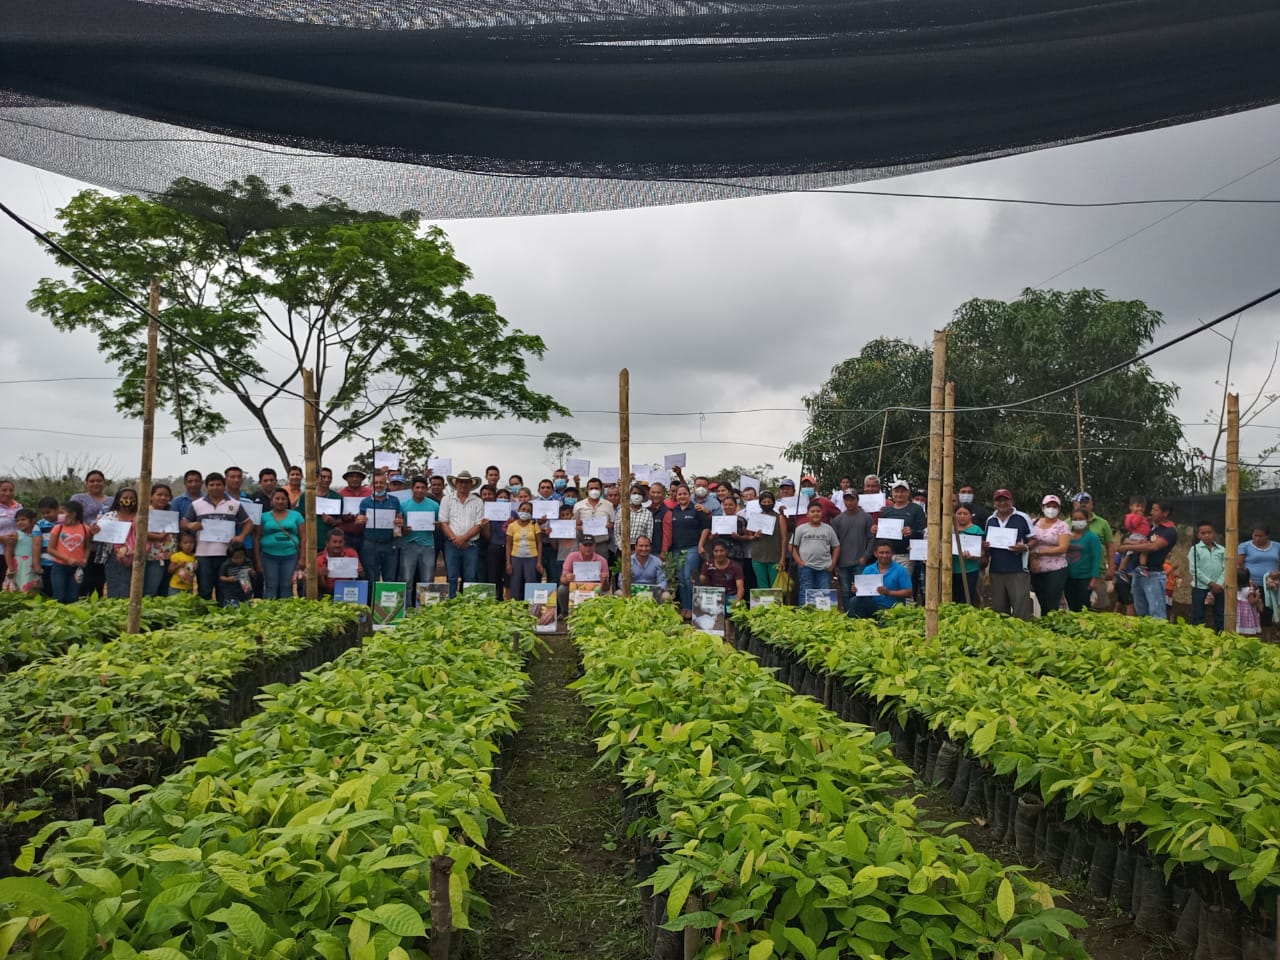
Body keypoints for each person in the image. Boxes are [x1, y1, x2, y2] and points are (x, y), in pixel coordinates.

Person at [181, 471, 253, 602]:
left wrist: (241, 537)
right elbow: (184, 522)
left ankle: (224, 612)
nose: (215, 487)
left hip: (227, 554)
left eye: (218, 484)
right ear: (206, 487)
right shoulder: (197, 504)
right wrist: (191, 525)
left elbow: (248, 523)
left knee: (225, 589)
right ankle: (205, 613)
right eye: (212, 485)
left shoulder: (234, 504)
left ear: (224, 485)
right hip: (204, 554)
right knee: (205, 589)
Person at [1116, 498, 1177, 620]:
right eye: (1152, 509)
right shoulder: (1150, 526)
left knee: (1156, 613)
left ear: (1165, 513)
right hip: (1137, 573)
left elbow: (1154, 546)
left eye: (1155, 510)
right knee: (1141, 612)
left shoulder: (1169, 531)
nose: (1151, 512)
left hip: (1153, 574)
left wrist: (1127, 547)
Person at [984, 488, 1032, 620]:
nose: (1002, 503)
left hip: (1018, 569)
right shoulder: (990, 520)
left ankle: (1022, 631)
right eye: (998, 500)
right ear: (994, 503)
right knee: (999, 609)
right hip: (996, 570)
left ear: (1012, 501)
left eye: (1005, 500)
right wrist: (985, 546)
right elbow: (987, 544)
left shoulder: (1022, 517)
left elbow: (1034, 539)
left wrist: (1025, 547)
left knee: (1020, 607)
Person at [664, 484, 711, 619]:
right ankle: (684, 607)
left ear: (689, 495)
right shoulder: (673, 511)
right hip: (676, 549)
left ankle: (693, 608)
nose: (682, 496)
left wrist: (701, 545)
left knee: (689, 578)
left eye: (684, 494)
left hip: (692, 548)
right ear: (676, 496)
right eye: (679, 494)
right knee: (680, 579)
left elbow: (706, 528)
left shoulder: (696, 509)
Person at [438, 470, 484, 597]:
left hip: (471, 544)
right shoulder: (447, 500)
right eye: (461, 482)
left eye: (466, 482)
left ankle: (469, 604)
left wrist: (463, 539)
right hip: (451, 544)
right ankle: (452, 602)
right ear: (456, 483)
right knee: (452, 577)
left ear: (471, 484)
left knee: (470, 576)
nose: (463, 485)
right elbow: (443, 522)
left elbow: (479, 524)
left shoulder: (477, 501)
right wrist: (455, 539)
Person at [256, 488, 306, 599]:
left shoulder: (296, 516)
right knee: (270, 586)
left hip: (290, 556)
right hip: (268, 556)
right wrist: (257, 560)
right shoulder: (263, 517)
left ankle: (286, 609)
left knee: (287, 586)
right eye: (277, 498)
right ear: (271, 501)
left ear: (287, 501)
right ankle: (269, 608)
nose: (280, 501)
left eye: (283, 499)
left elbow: (303, 538)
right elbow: (257, 538)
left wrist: (303, 558)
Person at [356, 472, 403, 588]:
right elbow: (359, 522)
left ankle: (388, 600)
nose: (379, 485)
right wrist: (359, 521)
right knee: (371, 578)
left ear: (386, 484)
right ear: (372, 484)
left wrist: (400, 522)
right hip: (370, 544)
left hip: (389, 543)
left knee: (390, 577)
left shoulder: (394, 501)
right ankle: (372, 600)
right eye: (376, 482)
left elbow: (399, 518)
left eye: (381, 482)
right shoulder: (365, 502)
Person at [874, 479, 926, 582]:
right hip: (887, 555)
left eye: (902, 491)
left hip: (906, 555)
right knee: (887, 583)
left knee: (903, 583)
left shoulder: (916, 509)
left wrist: (912, 532)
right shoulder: (886, 511)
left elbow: (923, 531)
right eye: (896, 491)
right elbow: (880, 535)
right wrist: (876, 530)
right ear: (892, 493)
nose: (899, 494)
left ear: (908, 493)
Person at [1028, 494, 1071, 615]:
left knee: (1052, 601)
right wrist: (1032, 559)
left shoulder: (1062, 526)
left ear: (1059, 509)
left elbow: (1063, 548)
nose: (1051, 509)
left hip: (1056, 569)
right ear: (1043, 508)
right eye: (1048, 506)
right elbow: (1028, 542)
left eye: (1054, 506)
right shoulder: (1033, 523)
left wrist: (1039, 552)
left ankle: (1052, 623)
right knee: (1042, 600)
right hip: (1036, 568)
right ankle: (1044, 623)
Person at [831, 491, 873, 611]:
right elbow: (834, 543)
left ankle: (859, 614)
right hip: (843, 563)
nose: (849, 502)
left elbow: (871, 538)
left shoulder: (866, 517)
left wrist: (865, 556)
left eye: (852, 499)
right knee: (845, 591)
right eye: (847, 500)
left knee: (860, 591)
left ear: (857, 500)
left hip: (860, 562)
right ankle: (848, 614)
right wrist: (835, 563)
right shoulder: (837, 520)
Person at [71, 470, 110, 597]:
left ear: (104, 483)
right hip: (84, 547)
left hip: (105, 547)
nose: (95, 483)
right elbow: (72, 518)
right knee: (84, 580)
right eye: (92, 481)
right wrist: (89, 529)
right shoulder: (78, 498)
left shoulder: (112, 501)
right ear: (86, 483)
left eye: (99, 481)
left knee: (100, 581)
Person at [790, 502, 840, 600]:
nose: (816, 513)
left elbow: (836, 546)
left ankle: (822, 610)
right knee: (805, 592)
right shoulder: (801, 529)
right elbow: (791, 545)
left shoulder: (828, 529)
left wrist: (833, 564)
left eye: (818, 511)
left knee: (824, 593)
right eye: (812, 511)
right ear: (807, 514)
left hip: (824, 568)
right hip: (806, 567)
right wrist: (799, 561)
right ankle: (805, 610)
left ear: (822, 513)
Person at [95, 488, 139, 599]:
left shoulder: (140, 516)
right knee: (114, 583)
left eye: (131, 498)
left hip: (135, 555)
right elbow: (100, 536)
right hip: (113, 556)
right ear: (118, 499)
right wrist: (96, 531)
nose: (128, 500)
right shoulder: (109, 516)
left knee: (132, 585)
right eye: (125, 498)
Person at [848, 543, 912, 618]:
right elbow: (863, 591)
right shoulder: (868, 569)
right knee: (855, 600)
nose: (884, 555)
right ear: (875, 554)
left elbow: (909, 592)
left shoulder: (900, 570)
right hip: (872, 606)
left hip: (891, 609)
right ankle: (856, 623)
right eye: (881, 553)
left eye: (887, 553)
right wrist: (856, 589)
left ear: (892, 554)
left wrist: (889, 592)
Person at [400, 476, 438, 604]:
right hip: (408, 545)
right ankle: (407, 608)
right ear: (412, 489)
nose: (420, 490)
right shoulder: (403, 505)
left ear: (426, 489)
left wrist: (437, 525)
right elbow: (398, 526)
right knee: (407, 579)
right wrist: (403, 529)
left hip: (428, 545)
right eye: (417, 487)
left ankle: (426, 608)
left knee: (427, 579)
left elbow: (440, 523)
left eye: (423, 488)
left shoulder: (434, 505)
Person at [1238, 525, 1280, 634]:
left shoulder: (1277, 546)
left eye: (1261, 536)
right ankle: (1252, 636)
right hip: (1251, 586)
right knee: (1252, 612)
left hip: (1271, 586)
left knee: (1268, 613)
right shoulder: (1245, 546)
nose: (1257, 538)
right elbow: (1238, 565)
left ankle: (1267, 638)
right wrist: (1245, 580)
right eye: (1255, 535)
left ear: (1267, 536)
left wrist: (1278, 573)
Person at [47, 499, 91, 604]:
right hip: (59, 567)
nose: (60, 515)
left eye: (63, 512)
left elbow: (87, 547)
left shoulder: (85, 529)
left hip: (76, 568)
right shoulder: (58, 528)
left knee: (72, 597)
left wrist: (85, 558)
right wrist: (67, 559)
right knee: (59, 596)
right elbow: (50, 549)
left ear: (73, 514)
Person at [1186, 521, 1226, 631]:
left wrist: (1218, 584)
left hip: (1219, 587)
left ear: (1214, 534)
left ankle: (1221, 636)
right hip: (1200, 587)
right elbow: (1194, 570)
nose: (1207, 535)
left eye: (1209, 532)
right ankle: (1199, 636)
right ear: (1198, 535)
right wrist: (1210, 583)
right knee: (1198, 615)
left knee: (1220, 614)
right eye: (1203, 533)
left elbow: (1226, 568)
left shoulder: (1222, 550)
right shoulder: (1195, 549)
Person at [557, 534, 610, 616]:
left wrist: (604, 580)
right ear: (580, 546)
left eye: (590, 545)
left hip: (595, 589)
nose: (588, 548)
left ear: (594, 546)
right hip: (575, 588)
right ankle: (565, 613)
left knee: (607, 594)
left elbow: (606, 588)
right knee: (562, 589)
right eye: (585, 545)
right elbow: (562, 579)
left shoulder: (602, 560)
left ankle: (602, 614)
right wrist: (567, 578)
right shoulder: (571, 557)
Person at [1063, 507, 1103, 613]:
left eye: (1081, 519)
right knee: (1071, 606)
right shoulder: (1066, 536)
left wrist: (1094, 578)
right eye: (1075, 519)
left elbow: (1097, 558)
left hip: (1085, 578)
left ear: (1087, 520)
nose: (1078, 521)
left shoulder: (1092, 537)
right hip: (1068, 577)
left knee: (1083, 607)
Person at [506, 495, 544, 602]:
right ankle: (515, 607)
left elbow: (539, 543)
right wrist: (508, 563)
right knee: (515, 583)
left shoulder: (534, 525)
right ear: (518, 510)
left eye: (528, 511)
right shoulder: (512, 526)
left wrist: (539, 561)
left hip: (532, 558)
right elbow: (508, 545)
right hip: (515, 558)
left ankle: (531, 606)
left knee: (531, 583)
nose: (525, 512)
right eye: (523, 509)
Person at [749, 491, 787, 592]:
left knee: (775, 586)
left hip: (775, 557)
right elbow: (749, 536)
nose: (766, 504)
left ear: (773, 503)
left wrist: (783, 558)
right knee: (762, 585)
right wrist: (755, 536)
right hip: (758, 556)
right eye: (764, 502)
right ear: (760, 503)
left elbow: (784, 538)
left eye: (769, 502)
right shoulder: (755, 517)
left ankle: (776, 603)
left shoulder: (780, 518)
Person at [143, 483, 177, 597]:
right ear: (151, 496)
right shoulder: (145, 512)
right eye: (159, 495)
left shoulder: (171, 512)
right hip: (154, 557)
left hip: (171, 557)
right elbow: (139, 532)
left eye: (166, 495)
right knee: (151, 590)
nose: (163, 497)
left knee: (165, 591)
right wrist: (158, 537)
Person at [951, 504, 984, 606]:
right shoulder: (950, 529)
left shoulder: (977, 530)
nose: (962, 516)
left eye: (965, 513)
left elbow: (982, 551)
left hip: (970, 569)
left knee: (968, 597)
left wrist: (974, 555)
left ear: (971, 515)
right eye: (959, 513)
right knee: (953, 598)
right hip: (952, 569)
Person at [336, 466, 372, 554]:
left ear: (362, 478)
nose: (355, 479)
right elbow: (336, 517)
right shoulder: (340, 494)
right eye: (351, 476)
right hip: (345, 536)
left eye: (357, 476)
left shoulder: (370, 493)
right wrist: (344, 518)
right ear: (346, 478)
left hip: (366, 536)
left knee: (365, 561)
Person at [317, 529, 364, 597]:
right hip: (328, 592)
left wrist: (360, 572)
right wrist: (320, 576)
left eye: (340, 542)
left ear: (344, 543)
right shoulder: (320, 559)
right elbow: (321, 587)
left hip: (349, 591)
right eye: (334, 542)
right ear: (327, 543)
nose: (337, 545)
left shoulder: (351, 554)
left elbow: (361, 575)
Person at [6, 509, 41, 593]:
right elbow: (8, 553)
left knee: (32, 589)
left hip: (32, 564)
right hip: (19, 566)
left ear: (32, 520)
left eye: (23, 519)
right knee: (18, 589)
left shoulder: (37, 534)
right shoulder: (16, 535)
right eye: (17, 521)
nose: (20, 522)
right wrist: (11, 569)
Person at [700, 538, 745, 605]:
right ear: (712, 552)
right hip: (714, 596)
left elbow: (740, 588)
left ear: (726, 551)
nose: (719, 554)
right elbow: (701, 581)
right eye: (716, 551)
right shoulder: (708, 564)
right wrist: (697, 579)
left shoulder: (735, 566)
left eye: (721, 551)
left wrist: (736, 603)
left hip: (731, 596)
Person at [628, 535, 668, 601]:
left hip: (653, 593)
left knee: (666, 596)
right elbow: (621, 582)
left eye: (646, 546)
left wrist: (653, 591)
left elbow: (663, 581)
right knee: (618, 593)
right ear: (635, 547)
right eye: (641, 546)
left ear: (650, 547)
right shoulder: (628, 561)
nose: (644, 549)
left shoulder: (657, 561)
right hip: (632, 592)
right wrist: (634, 591)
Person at [312, 466, 342, 552]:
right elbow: (300, 519)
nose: (326, 479)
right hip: (311, 540)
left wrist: (333, 521)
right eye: (323, 477)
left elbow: (341, 519)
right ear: (317, 478)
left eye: (329, 477)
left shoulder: (337, 497)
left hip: (329, 542)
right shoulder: (307, 496)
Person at [617, 487, 654, 554]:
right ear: (630, 495)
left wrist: (639, 549)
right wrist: (623, 548)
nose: (637, 496)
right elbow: (617, 532)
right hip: (623, 548)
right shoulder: (622, 511)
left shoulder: (648, 514)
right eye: (634, 493)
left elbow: (649, 534)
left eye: (639, 494)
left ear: (643, 496)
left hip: (640, 549)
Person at [36, 496, 59, 597]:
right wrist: (36, 563)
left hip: (61, 562)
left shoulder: (64, 523)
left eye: (48, 512)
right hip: (45, 562)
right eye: (43, 513)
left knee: (58, 588)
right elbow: (36, 545)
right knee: (46, 590)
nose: (46, 515)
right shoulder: (39, 525)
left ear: (57, 509)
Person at [167, 531, 198, 596]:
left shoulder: (194, 557)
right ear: (180, 544)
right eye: (185, 543)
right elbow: (169, 570)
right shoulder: (177, 556)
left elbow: (194, 572)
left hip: (188, 588)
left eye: (191, 542)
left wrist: (196, 567)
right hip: (176, 587)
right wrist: (178, 566)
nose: (188, 545)